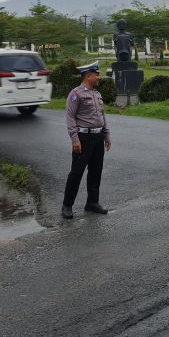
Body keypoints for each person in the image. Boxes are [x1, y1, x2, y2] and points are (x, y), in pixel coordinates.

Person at [62, 62, 111, 219]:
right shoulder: (76, 94)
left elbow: (102, 116)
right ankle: (67, 205)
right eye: (96, 74)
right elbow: (70, 117)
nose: (99, 77)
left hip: (97, 138)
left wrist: (106, 135)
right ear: (88, 76)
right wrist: (74, 139)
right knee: (76, 173)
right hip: (83, 138)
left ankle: (92, 203)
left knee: (95, 172)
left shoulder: (97, 94)